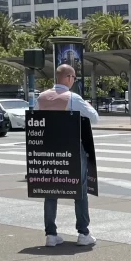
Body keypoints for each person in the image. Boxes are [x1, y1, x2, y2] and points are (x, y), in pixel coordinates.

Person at [37, 64, 98, 247]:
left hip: (47, 149)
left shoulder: (41, 97)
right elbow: (94, 118)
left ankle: (51, 235)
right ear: (69, 78)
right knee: (79, 189)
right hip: (71, 147)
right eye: (74, 78)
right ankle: (83, 233)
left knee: (50, 190)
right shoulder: (73, 98)